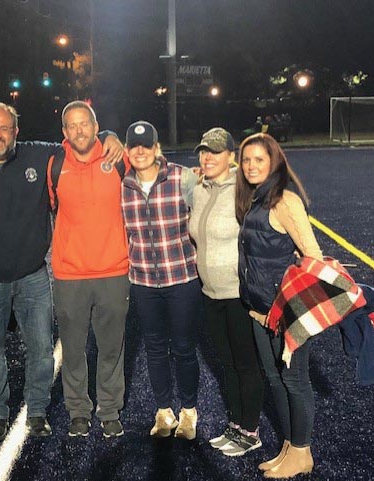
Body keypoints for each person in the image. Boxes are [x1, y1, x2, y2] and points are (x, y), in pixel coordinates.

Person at [0, 101, 123, 441]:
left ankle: (38, 411)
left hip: (35, 275)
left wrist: (111, 134)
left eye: (5, 128)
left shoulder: (38, 156)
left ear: (17, 132)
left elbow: (88, 139)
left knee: (43, 350)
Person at [235, 133, 323, 478]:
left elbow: (312, 256)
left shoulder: (284, 201)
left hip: (283, 311)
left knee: (295, 380)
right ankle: (289, 446)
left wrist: (290, 308)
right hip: (258, 309)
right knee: (274, 378)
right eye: (247, 160)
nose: (252, 166)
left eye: (259, 160)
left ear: (274, 163)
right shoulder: (256, 199)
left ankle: (302, 453)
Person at [48, 101, 130, 438]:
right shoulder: (54, 164)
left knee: (111, 347)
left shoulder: (119, 158)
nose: (79, 130)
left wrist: (117, 138)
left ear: (97, 127)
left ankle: (109, 408)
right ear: (64, 132)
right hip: (70, 274)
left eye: (86, 123)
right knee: (73, 348)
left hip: (113, 269)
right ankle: (78, 409)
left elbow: (156, 167)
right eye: (72, 125)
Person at [121, 121, 201, 440]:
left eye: (146, 145)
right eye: (133, 146)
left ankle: (189, 412)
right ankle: (164, 411)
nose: (140, 151)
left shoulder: (183, 177)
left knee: (183, 348)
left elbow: (209, 212)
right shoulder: (123, 185)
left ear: (157, 148)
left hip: (181, 276)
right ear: (127, 151)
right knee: (154, 348)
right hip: (142, 280)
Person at [188, 128, 264, 455]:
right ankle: (235, 426)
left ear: (230, 157)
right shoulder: (199, 188)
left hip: (238, 293)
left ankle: (251, 430)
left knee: (246, 364)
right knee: (228, 364)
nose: (207, 157)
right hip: (210, 293)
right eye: (204, 151)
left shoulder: (245, 190)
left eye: (215, 152)